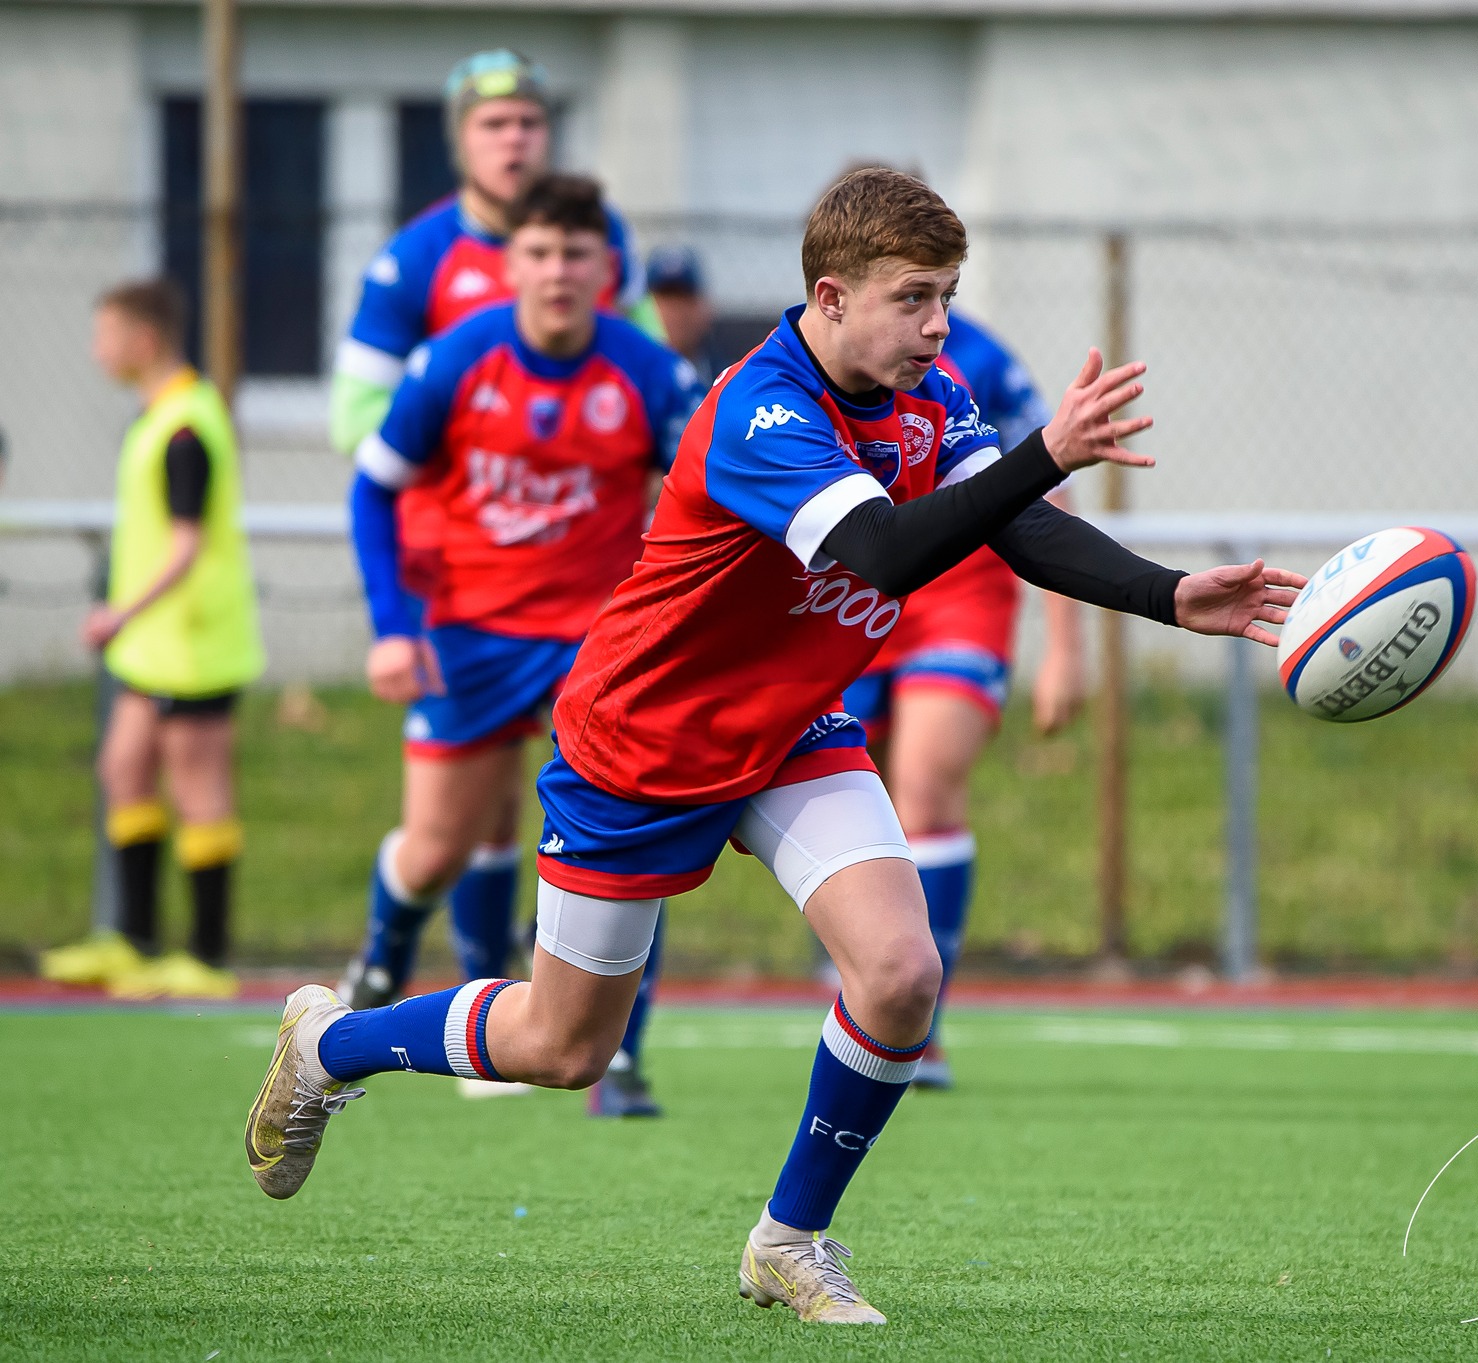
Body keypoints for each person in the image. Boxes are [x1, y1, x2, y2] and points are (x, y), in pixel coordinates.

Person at [244, 167, 1303, 1325]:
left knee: (901, 977)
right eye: (914, 298)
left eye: (947, 294)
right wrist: (1044, 448)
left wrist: (1168, 594)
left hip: (792, 728)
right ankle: (332, 1043)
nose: (938, 324)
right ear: (831, 295)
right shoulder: (762, 409)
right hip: (642, 742)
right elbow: (885, 552)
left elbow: (1009, 523)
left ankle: (789, 1240)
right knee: (562, 1049)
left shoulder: (931, 392)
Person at [337, 174, 702, 1105]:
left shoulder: (650, 372)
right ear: (511, 265)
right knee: (436, 847)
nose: (557, 272)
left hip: (600, 640)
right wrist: (392, 629)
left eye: (577, 255)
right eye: (539, 253)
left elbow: (713, 488)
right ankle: (381, 965)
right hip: (470, 634)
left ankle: (615, 1058)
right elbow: (373, 486)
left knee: (634, 832)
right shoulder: (458, 359)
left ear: (608, 270)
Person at [845, 307, 1086, 1088]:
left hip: (961, 595)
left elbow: (1042, 494)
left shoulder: (976, 359)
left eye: (939, 288)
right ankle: (872, 987)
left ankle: (924, 1025)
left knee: (926, 786)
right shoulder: (798, 373)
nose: (930, 314)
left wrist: (1066, 650)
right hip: (852, 592)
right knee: (857, 798)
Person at [38, 278, 264, 999]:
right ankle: (132, 939)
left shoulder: (187, 426)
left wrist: (119, 611)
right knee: (122, 766)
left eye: (105, 334)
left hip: (193, 642)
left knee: (199, 787)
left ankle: (206, 953)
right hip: (154, 646)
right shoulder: (157, 417)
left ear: (144, 340)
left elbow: (187, 546)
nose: (95, 349)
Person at [646, 245, 714, 372]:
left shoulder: (730, 377)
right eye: (666, 298)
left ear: (704, 306)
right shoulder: (627, 378)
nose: (676, 312)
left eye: (684, 298)